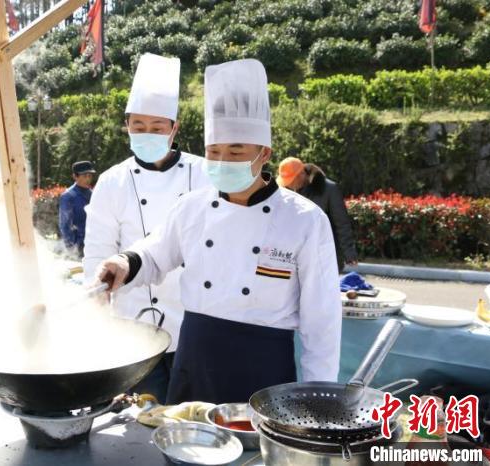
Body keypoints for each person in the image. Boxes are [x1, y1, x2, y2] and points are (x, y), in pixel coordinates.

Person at [95, 59, 341, 405]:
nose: (223, 160)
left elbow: (322, 321)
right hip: (196, 358)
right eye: (214, 152)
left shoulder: (304, 219)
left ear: (264, 153)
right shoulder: (192, 207)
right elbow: (154, 254)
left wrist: (319, 397)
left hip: (262, 365)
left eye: (236, 151)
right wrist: (124, 263)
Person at [83, 54, 209, 404]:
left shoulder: (203, 174)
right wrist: (94, 298)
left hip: (193, 323)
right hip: (134, 323)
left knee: (190, 415)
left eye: (157, 127)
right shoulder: (112, 182)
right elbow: (97, 251)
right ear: (126, 126)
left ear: (174, 128)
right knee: (145, 419)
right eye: (138, 126)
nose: (147, 134)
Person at [277, 157, 358, 273]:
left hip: (325, 255)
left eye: (291, 180)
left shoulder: (329, 189)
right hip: (297, 258)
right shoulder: (287, 192)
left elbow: (342, 223)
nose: (289, 185)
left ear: (301, 174)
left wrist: (349, 253)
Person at [58, 160, 95, 257]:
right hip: (79, 244)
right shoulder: (68, 196)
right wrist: (71, 247)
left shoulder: (93, 194)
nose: (88, 179)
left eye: (90, 176)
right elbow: (65, 224)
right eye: (84, 176)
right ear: (75, 176)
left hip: (95, 241)